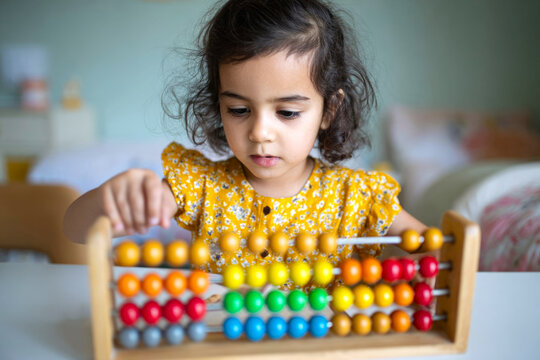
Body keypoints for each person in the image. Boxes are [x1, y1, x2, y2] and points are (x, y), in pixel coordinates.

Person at [64, 0, 426, 280]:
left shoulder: (357, 197)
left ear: (329, 110)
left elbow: (431, 250)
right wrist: (114, 198)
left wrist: (430, 260)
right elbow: (74, 229)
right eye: (239, 110)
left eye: (286, 112)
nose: (259, 132)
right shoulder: (201, 187)